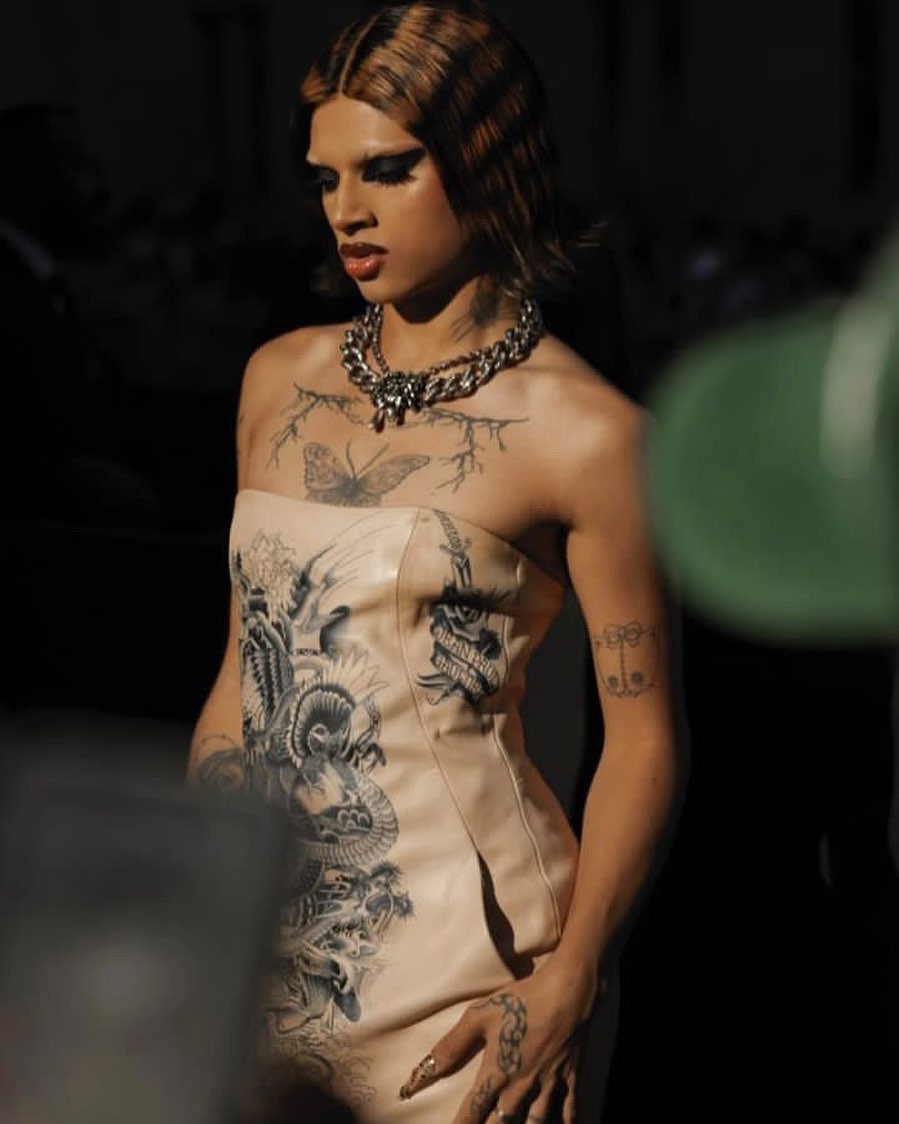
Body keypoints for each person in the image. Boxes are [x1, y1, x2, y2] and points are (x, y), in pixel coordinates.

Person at [188, 3, 682, 1121]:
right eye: (325, 180)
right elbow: (241, 679)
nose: (346, 211)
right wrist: (196, 885)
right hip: (262, 945)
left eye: (387, 169)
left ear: (488, 163)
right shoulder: (277, 379)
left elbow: (643, 736)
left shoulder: (588, 434)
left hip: (477, 973)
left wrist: (571, 977)